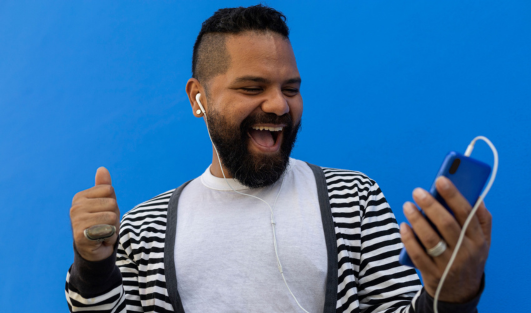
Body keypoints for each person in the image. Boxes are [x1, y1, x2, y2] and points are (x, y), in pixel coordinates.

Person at [65, 5, 491, 313]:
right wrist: (93, 267)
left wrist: (453, 292)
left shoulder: (354, 198)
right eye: (252, 88)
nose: (279, 106)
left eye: (290, 89)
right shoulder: (145, 226)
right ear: (199, 97)